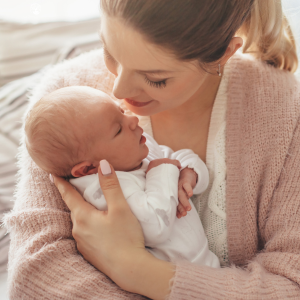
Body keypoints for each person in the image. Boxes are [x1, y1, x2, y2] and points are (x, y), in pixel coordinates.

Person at [3, 0, 300, 299]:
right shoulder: (66, 100)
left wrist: (132, 268)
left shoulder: (284, 113)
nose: (119, 91)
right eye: (110, 52)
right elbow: (34, 279)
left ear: (223, 54)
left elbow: (291, 285)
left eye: (155, 79)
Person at [24, 85, 219, 267]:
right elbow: (155, 227)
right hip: (172, 278)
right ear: (87, 169)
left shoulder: (137, 150)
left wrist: (188, 172)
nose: (133, 121)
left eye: (122, 112)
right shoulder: (104, 191)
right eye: (118, 129)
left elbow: (175, 157)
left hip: (205, 263)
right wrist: (162, 171)